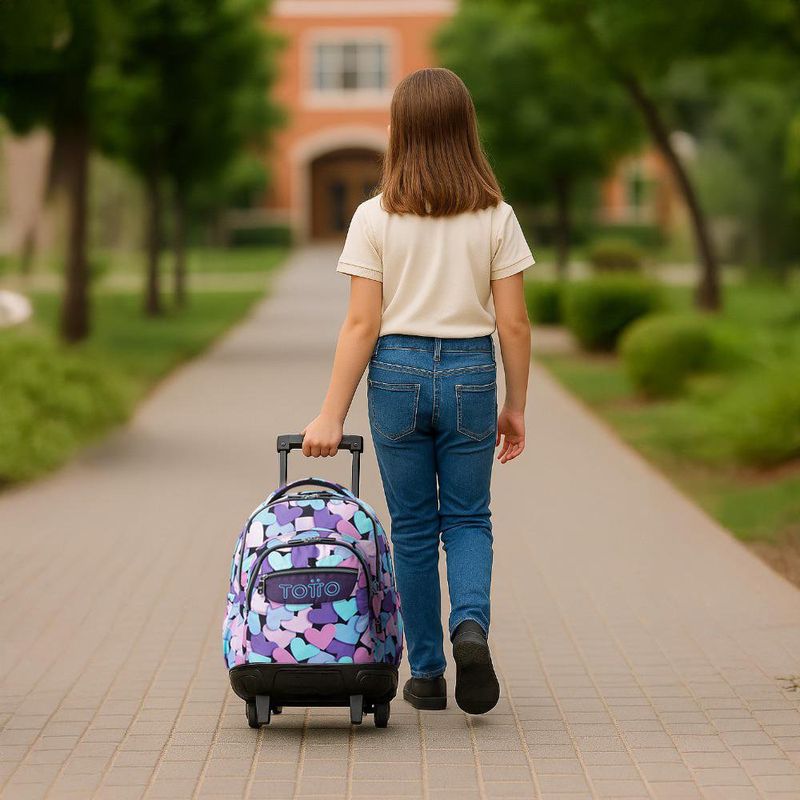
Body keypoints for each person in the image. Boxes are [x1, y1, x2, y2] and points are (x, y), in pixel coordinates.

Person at [302, 67, 533, 715]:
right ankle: (471, 627)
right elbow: (513, 322)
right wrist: (515, 404)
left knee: (411, 527)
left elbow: (360, 324)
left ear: (398, 132)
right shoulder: (496, 215)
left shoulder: (374, 217)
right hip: (470, 373)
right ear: (467, 132)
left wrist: (329, 413)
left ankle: (427, 673)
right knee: (466, 518)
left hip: (396, 373)